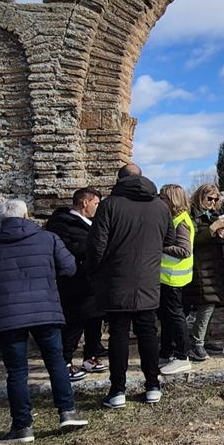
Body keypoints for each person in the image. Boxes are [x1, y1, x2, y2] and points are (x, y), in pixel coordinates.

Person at [0, 199, 87, 443]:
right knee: (56, 363)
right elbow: (69, 268)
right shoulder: (47, 239)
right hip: (44, 310)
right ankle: (67, 411)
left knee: (17, 371)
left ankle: (22, 426)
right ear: (26, 215)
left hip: (7, 315)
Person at [87, 163, 177, 408]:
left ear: (119, 180)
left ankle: (117, 390)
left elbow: (97, 246)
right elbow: (169, 240)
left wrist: (94, 270)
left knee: (118, 334)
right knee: (148, 331)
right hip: (148, 277)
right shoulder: (160, 207)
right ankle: (153, 386)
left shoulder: (109, 205)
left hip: (116, 278)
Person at [44, 187, 107, 381]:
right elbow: (65, 249)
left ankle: (91, 356)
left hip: (95, 281)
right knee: (74, 322)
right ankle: (65, 361)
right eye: (96, 203)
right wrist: (93, 248)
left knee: (95, 320)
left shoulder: (94, 222)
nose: (98, 207)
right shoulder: (61, 224)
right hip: (75, 281)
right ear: (85, 203)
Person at [185, 184, 224, 358]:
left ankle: (202, 339)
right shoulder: (191, 214)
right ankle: (196, 343)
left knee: (212, 304)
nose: (212, 202)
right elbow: (192, 241)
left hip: (214, 266)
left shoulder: (213, 215)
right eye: (209, 198)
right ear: (200, 197)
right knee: (206, 305)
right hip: (200, 266)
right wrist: (212, 229)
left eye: (215, 199)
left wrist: (223, 233)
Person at [157, 184, 196, 374]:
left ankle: (182, 355)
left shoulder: (180, 221)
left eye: (163, 198)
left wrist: (159, 247)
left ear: (173, 200)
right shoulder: (173, 218)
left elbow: (184, 250)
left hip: (173, 277)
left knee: (175, 316)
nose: (160, 201)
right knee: (166, 317)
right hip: (167, 277)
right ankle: (166, 352)